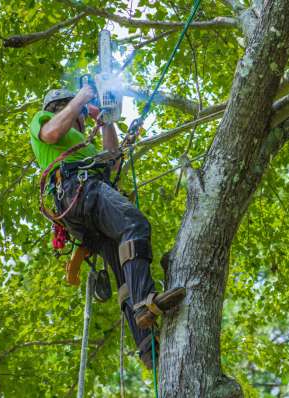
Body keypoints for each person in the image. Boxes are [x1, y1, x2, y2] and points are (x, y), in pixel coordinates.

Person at [29, 85, 185, 368]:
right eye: (80, 116)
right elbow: (52, 132)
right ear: (66, 108)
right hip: (79, 189)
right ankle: (144, 301)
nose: (83, 121)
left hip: (86, 208)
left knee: (122, 268)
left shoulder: (81, 142)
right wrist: (83, 98)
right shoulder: (45, 121)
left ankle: (146, 343)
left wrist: (107, 121)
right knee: (135, 224)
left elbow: (112, 162)